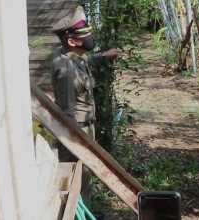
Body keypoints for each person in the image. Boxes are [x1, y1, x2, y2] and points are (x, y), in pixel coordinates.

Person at [51, 5, 121, 217]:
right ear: (72, 41)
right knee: (78, 180)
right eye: (85, 34)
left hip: (84, 129)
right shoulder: (65, 71)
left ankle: (87, 213)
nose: (90, 36)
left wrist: (102, 56)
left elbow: (82, 62)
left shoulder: (67, 55)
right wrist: (79, 144)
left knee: (85, 178)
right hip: (77, 132)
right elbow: (66, 113)